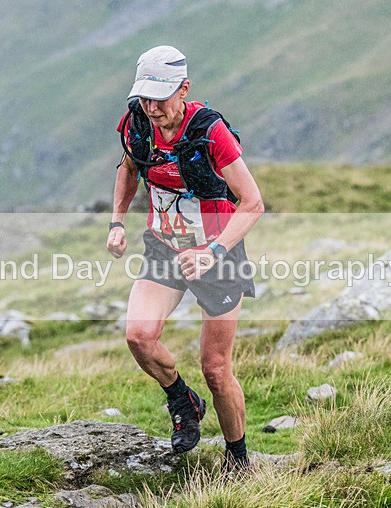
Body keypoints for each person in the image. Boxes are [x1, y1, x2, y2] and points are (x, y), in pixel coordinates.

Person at [106, 45, 264, 472]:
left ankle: (238, 459)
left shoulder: (211, 133)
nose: (153, 108)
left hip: (219, 254)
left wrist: (213, 252)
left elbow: (252, 204)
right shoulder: (137, 122)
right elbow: (128, 168)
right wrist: (117, 221)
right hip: (164, 247)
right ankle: (181, 398)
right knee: (138, 336)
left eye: (161, 97)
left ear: (184, 89)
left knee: (215, 367)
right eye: (145, 97)